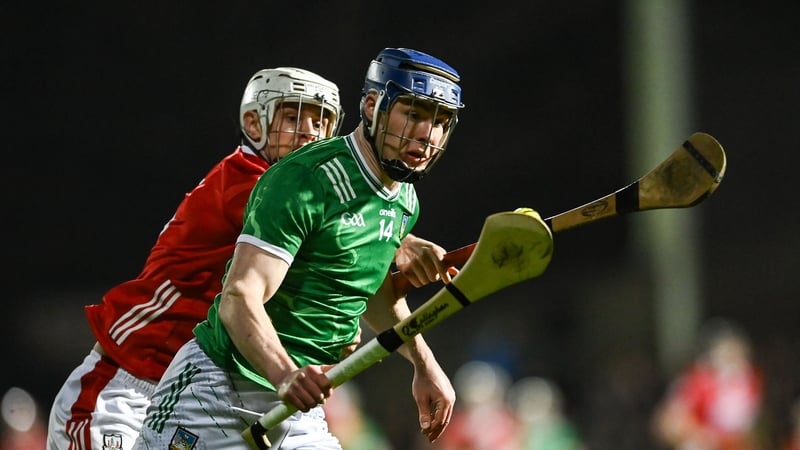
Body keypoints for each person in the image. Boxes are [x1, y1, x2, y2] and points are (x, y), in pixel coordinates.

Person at [47, 66, 452, 450]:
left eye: (322, 121)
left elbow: (337, 242)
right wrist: (399, 241)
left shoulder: (329, 188)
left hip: (235, 378)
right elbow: (332, 223)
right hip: (130, 379)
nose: (311, 133)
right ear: (255, 124)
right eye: (295, 119)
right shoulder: (247, 177)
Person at [652, 318, 764, 450]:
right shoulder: (697, 380)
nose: (733, 357)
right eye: (727, 350)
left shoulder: (751, 380)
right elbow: (668, 424)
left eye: (737, 350)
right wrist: (699, 434)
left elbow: (748, 427)